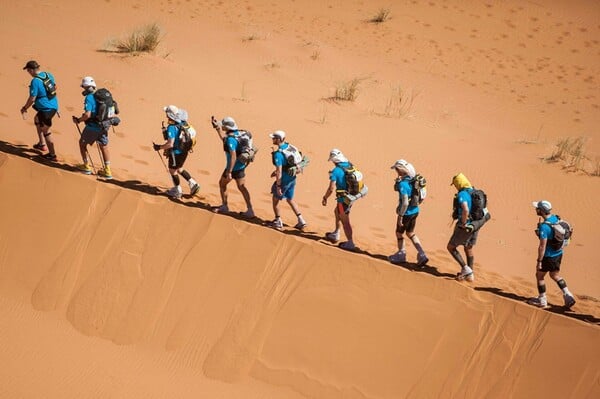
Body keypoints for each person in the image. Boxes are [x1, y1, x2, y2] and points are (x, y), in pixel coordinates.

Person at [527, 200, 576, 309]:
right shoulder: (556, 218)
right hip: (558, 254)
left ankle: (542, 300)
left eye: (537, 208)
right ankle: (568, 295)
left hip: (548, 256)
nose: (536, 209)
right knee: (555, 275)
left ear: (542, 211)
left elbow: (542, 246)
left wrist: (539, 261)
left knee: (539, 276)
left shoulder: (544, 227)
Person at [322, 149, 366, 250]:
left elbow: (331, 188)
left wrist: (325, 197)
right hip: (352, 196)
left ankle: (350, 242)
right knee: (336, 212)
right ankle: (336, 233)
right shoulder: (350, 165)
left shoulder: (336, 171)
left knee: (345, 220)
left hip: (343, 200)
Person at [210, 116, 254, 217]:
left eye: (223, 125)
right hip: (241, 166)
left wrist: (229, 172)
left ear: (227, 127)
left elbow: (233, 156)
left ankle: (225, 206)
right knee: (242, 188)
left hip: (232, 167)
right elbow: (224, 140)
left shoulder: (231, 140)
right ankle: (250, 210)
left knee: (222, 184)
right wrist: (217, 128)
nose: (222, 126)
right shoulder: (240, 133)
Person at [152, 105, 200, 199]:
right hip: (185, 151)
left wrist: (159, 147)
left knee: (172, 170)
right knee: (180, 168)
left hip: (176, 153)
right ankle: (193, 184)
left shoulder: (171, 127)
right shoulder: (183, 122)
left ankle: (177, 191)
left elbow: (170, 144)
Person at [388, 159, 429, 267]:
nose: (396, 171)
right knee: (410, 233)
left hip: (406, 213)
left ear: (401, 170)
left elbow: (405, 202)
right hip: (415, 211)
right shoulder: (413, 180)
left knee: (399, 233)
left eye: (397, 169)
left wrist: (400, 216)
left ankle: (401, 254)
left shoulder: (403, 184)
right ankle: (422, 254)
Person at [72, 76, 112, 179]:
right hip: (104, 126)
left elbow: (87, 115)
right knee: (104, 146)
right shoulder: (103, 96)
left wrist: (79, 120)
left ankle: (86, 166)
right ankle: (107, 170)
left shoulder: (89, 98)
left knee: (82, 144)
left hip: (92, 127)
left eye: (84, 88)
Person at [267, 130, 307, 230]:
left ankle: (278, 221)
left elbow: (280, 171)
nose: (272, 139)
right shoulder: (291, 147)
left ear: (279, 139)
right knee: (290, 199)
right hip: (292, 179)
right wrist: (275, 172)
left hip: (284, 180)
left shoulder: (278, 154)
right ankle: (301, 220)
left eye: (274, 138)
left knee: (275, 200)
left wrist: (278, 185)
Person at [20, 60, 59, 161]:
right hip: (53, 106)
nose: (28, 73)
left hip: (46, 109)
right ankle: (41, 144)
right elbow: (55, 87)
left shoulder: (35, 81)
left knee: (46, 130)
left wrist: (25, 108)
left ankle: (52, 155)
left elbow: (32, 98)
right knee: (37, 119)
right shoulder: (48, 74)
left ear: (32, 70)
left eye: (28, 70)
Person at [447, 173, 478, 282]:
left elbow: (465, 209)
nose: (455, 187)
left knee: (450, 247)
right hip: (475, 225)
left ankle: (466, 269)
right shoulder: (474, 191)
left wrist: (463, 223)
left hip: (465, 225)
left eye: (455, 184)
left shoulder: (462, 194)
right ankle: (470, 274)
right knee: (468, 247)